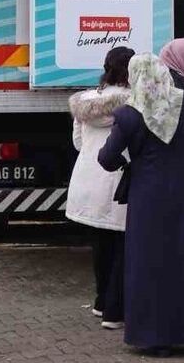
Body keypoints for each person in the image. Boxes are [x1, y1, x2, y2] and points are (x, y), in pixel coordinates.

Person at [98, 53, 184, 358]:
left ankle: (155, 339)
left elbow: (106, 157)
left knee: (150, 265)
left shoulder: (130, 114)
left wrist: (130, 162)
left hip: (147, 199)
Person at [66, 47, 135, 330]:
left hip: (87, 177)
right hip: (118, 177)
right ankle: (115, 309)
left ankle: (100, 300)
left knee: (100, 244)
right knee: (122, 243)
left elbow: (78, 142)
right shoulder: (133, 103)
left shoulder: (85, 101)